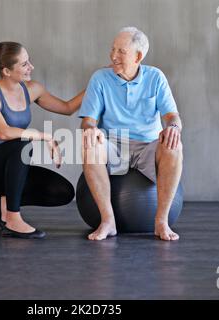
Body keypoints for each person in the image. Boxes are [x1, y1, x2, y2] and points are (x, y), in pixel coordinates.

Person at [0, 41, 85, 239]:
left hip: (12, 166)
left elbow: (68, 107)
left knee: (62, 192)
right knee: (20, 143)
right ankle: (13, 219)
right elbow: (4, 133)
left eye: (29, 61)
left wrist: (99, 81)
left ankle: (4, 202)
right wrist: (43, 136)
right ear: (6, 71)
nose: (31, 67)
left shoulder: (32, 89)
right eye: (24, 64)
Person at [79, 27, 183, 241]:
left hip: (148, 146)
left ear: (138, 56)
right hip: (113, 147)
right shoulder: (100, 78)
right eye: (112, 49)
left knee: (174, 145)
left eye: (121, 51)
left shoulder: (155, 77)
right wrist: (91, 130)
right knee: (90, 143)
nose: (113, 56)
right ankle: (108, 221)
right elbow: (88, 121)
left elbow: (172, 116)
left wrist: (173, 127)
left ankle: (161, 222)